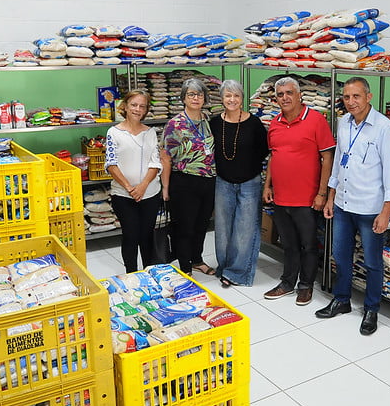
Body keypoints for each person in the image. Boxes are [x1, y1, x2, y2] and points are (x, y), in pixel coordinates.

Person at [316, 77, 390, 335]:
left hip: (370, 207)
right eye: (346, 97)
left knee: (373, 262)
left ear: (369, 97)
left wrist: (386, 210)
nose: (351, 102)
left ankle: (371, 309)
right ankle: (341, 300)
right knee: (341, 256)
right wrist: (331, 197)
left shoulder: (383, 128)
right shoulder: (343, 123)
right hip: (343, 202)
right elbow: (339, 162)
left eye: (356, 96)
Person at [263, 76, 335, 305]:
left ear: (299, 95)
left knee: (308, 245)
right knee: (289, 243)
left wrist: (322, 193)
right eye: (280, 94)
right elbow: (274, 156)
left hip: (307, 198)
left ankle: (305, 286)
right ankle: (287, 282)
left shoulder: (315, 120)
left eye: (289, 93)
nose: (285, 98)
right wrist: (267, 185)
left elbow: (327, 157)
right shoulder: (274, 123)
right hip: (281, 197)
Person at [210, 80, 269, 288]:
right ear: (222, 98)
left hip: (249, 183)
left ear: (242, 98)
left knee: (245, 229)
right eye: (228, 96)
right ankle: (224, 266)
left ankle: (237, 272)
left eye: (236, 96)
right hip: (223, 182)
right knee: (223, 228)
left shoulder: (254, 124)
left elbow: (263, 151)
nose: (232, 100)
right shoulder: (215, 123)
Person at [161, 78, 217, 276]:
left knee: (202, 223)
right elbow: (166, 158)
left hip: (208, 180)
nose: (196, 98)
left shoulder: (208, 120)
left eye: (200, 94)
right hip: (183, 181)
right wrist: (165, 188)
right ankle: (185, 266)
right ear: (183, 98)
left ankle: (197, 259)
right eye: (191, 94)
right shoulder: (175, 124)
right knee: (185, 226)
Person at [105, 90, 163, 272]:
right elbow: (111, 164)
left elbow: (155, 162)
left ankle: (149, 272)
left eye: (142, 106)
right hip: (123, 194)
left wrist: (143, 186)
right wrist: (130, 188)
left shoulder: (150, 133)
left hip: (150, 193)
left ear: (146, 110)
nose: (137, 109)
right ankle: (131, 274)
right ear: (125, 106)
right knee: (130, 235)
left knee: (146, 235)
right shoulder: (114, 132)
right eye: (134, 105)